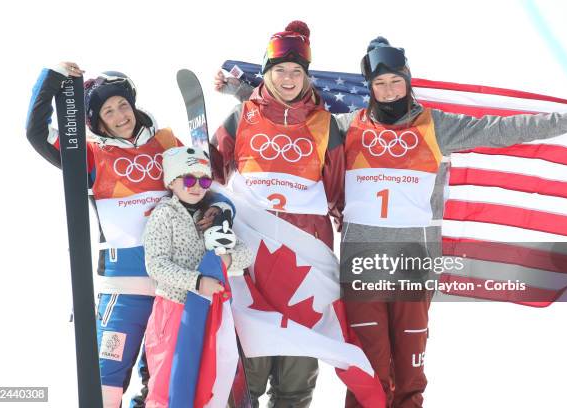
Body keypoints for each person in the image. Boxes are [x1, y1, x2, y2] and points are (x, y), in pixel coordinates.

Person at [216, 37, 567, 407]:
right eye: (380, 83)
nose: (390, 90)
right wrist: (240, 91)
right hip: (362, 261)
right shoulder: (346, 127)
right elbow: (292, 118)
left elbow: (497, 129)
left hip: (413, 259)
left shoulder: (434, 125)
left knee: (410, 376)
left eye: (396, 81)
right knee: (368, 369)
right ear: (369, 88)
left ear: (408, 80)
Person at [26, 63, 232, 408]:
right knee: (105, 385)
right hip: (125, 288)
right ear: (98, 120)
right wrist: (51, 78)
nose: (120, 115)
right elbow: (36, 132)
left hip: (175, 283)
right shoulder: (89, 155)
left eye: (123, 104)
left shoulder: (166, 143)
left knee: (163, 381)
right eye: (108, 111)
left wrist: (222, 210)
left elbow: (202, 184)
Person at [210, 21, 345, 408]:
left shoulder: (325, 125)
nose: (288, 78)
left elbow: (338, 194)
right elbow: (210, 176)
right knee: (247, 368)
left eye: (297, 71)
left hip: (306, 261)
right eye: (280, 70)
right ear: (266, 73)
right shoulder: (242, 118)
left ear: (306, 76)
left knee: (296, 376)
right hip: (252, 257)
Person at [142, 146, 253, 407]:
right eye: (188, 179)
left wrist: (225, 259)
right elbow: (156, 265)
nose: (196, 187)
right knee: (168, 382)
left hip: (209, 311)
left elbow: (246, 253)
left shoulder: (213, 215)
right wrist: (196, 281)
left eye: (203, 180)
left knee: (207, 380)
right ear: (171, 182)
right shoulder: (164, 215)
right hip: (174, 309)